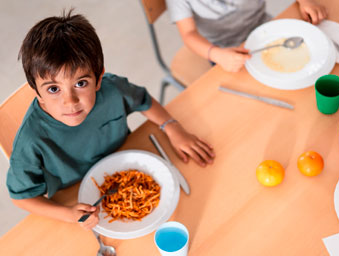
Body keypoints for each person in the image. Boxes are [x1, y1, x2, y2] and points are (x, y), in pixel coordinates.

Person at [6, 10, 215, 230]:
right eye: (53, 89)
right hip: (76, 199)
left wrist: (171, 127)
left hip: (127, 169)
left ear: (98, 79)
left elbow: (143, 100)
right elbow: (21, 197)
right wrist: (67, 214)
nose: (70, 101)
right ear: (37, 93)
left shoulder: (112, 89)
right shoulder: (30, 140)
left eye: (80, 84)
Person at [166, 0, 327, 72]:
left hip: (264, 27)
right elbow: (188, 34)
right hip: (224, 50)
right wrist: (216, 55)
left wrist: (305, 1)